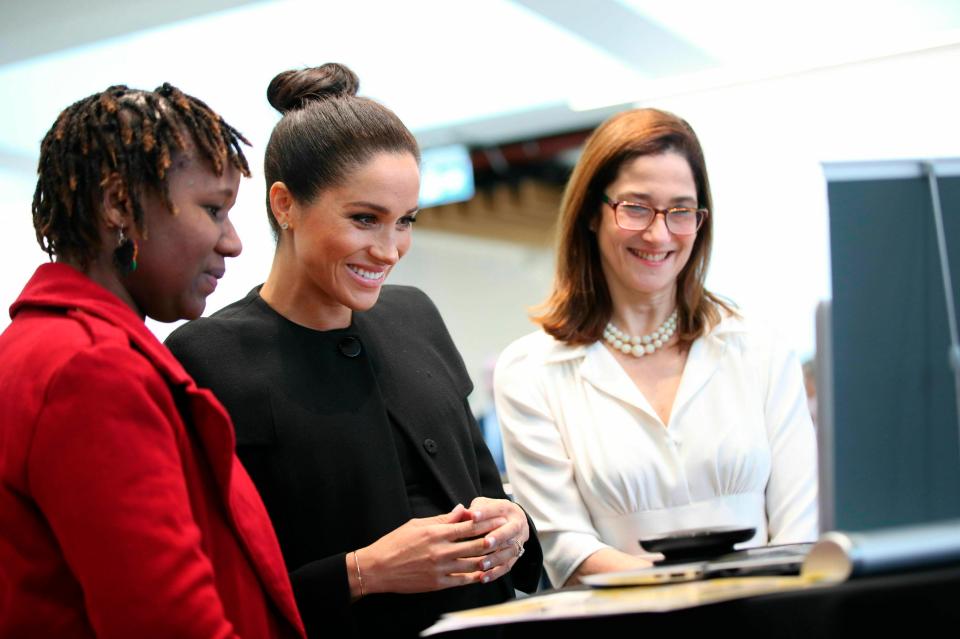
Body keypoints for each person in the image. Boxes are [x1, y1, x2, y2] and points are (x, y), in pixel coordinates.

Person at [165, 63, 541, 638]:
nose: (389, 250)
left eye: (405, 222)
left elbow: (486, 487)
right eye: (365, 220)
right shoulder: (208, 357)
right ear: (285, 205)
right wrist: (363, 573)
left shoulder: (415, 314)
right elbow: (215, 583)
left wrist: (514, 523)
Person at [0, 84, 304, 637]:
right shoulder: (90, 370)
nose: (233, 242)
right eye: (213, 209)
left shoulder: (45, 347)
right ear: (118, 203)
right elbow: (167, 621)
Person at [494, 108, 817, 588]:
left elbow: (801, 528)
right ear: (590, 212)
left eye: (680, 210)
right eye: (636, 207)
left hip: (766, 618)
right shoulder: (530, 370)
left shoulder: (759, 350)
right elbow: (569, 553)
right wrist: (701, 589)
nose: (659, 233)